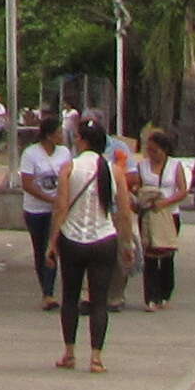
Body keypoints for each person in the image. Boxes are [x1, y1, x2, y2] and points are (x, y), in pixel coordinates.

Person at [51, 113, 135, 374]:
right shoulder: (114, 171)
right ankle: (96, 357)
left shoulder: (69, 168)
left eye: (77, 136)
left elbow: (61, 207)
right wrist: (127, 244)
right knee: (99, 300)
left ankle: (69, 353)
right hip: (103, 238)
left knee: (70, 298)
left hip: (73, 239)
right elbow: (123, 211)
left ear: (84, 141)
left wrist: (52, 242)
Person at [137, 127, 192, 308]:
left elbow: (183, 190)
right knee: (150, 255)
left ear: (164, 149)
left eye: (155, 150)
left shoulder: (175, 165)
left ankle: (165, 291)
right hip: (149, 214)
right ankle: (151, 296)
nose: (152, 154)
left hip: (170, 214)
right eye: (149, 150)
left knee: (167, 254)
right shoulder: (142, 166)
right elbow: (137, 187)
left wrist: (166, 202)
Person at [12, 122, 64, 304]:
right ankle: (45, 289)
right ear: (49, 135)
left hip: (56, 210)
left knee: (53, 247)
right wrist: (49, 198)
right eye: (59, 132)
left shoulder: (64, 153)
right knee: (40, 248)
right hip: (35, 209)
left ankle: (49, 292)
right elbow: (27, 184)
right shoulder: (31, 154)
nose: (62, 135)